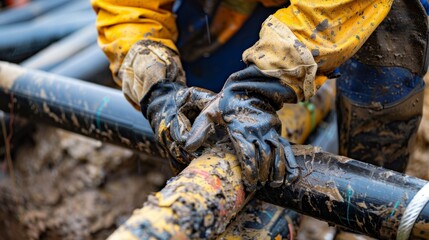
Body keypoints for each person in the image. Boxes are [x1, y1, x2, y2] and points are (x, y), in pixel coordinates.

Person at [91, 0, 428, 193]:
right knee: (207, 109)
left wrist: (262, 84)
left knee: (394, 17)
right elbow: (126, 8)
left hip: (329, 8)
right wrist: (158, 87)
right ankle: (212, 155)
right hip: (229, 11)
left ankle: (369, 195)